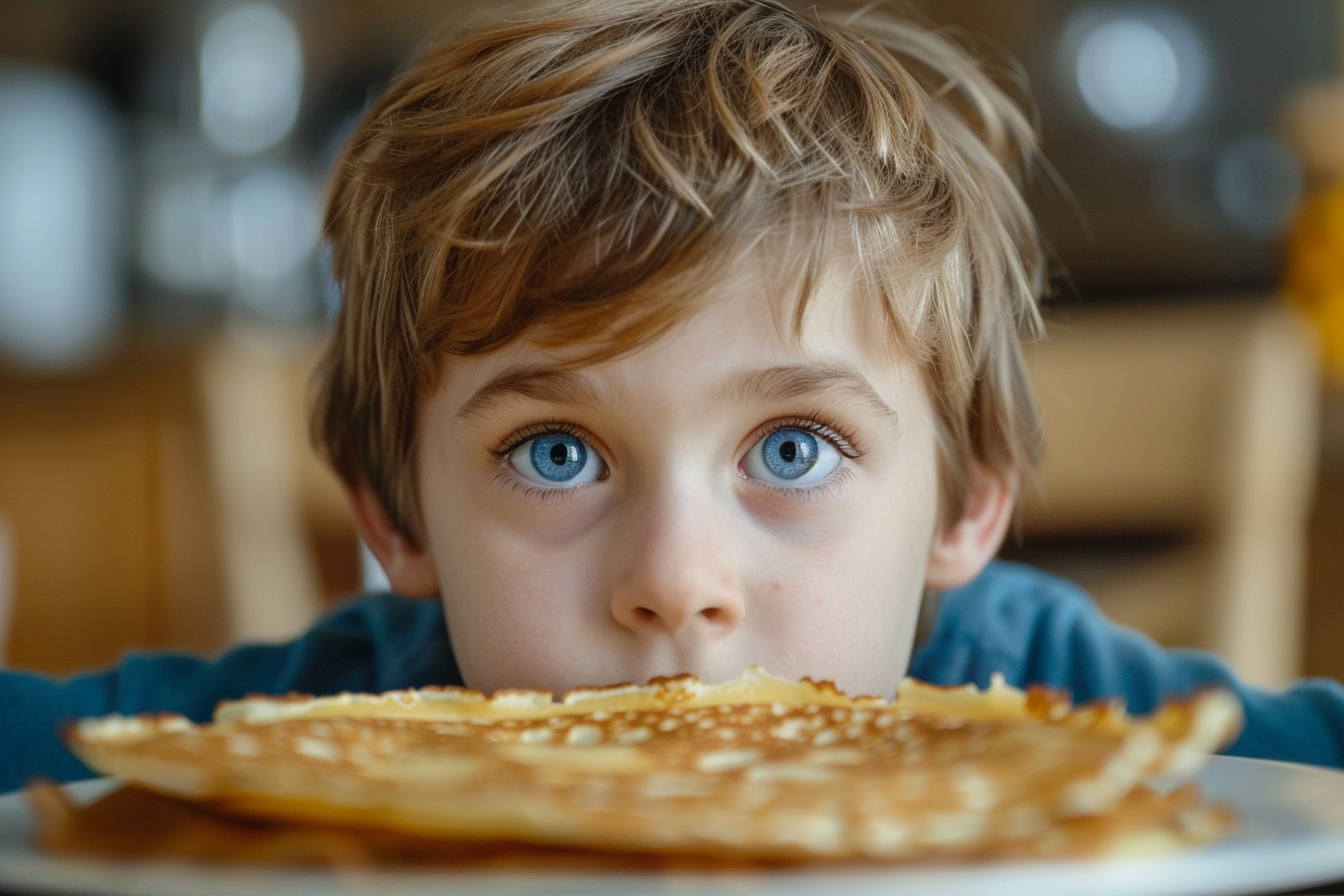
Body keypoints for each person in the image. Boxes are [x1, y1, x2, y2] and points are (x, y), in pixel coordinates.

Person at [3, 0, 1343, 795]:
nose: (677, 583)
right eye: (556, 454)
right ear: (400, 517)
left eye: (797, 447)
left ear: (966, 503)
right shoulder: (334, 733)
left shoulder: (1047, 704)